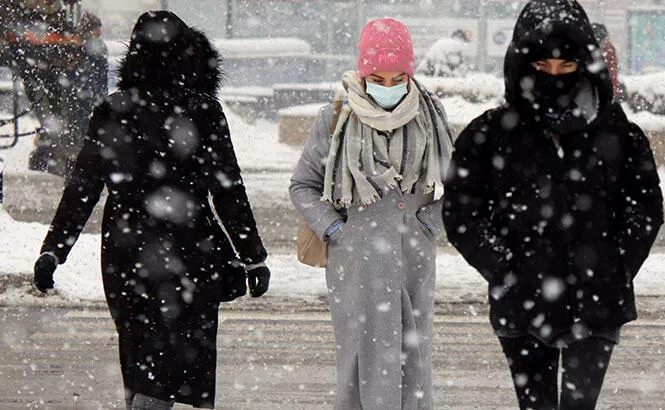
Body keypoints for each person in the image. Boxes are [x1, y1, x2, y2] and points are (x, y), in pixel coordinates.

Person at [32, 11, 271, 410]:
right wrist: (252, 258)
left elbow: (82, 190)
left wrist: (54, 250)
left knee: (143, 365)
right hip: (193, 252)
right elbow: (228, 190)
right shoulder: (202, 111)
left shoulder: (114, 110)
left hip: (127, 254)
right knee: (179, 364)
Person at [442, 0, 664, 409]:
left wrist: (616, 265)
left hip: (597, 302)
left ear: (587, 64)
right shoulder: (489, 134)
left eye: (567, 67)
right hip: (521, 304)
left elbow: (645, 208)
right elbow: (461, 211)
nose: (555, 77)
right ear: (522, 64)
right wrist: (504, 268)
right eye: (543, 67)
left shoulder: (620, 135)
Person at [290, 17, 455, 409]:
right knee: (359, 360)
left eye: (397, 77)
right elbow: (303, 186)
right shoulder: (335, 118)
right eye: (376, 80)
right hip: (355, 260)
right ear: (363, 75)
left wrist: (427, 224)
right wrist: (335, 229)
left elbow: (466, 190)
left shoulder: (430, 116)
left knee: (413, 359)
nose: (387, 87)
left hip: (413, 257)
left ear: (409, 74)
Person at [592, 23, 625, 101]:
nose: (606, 41)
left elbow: (612, 72)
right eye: (604, 38)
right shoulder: (606, 50)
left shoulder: (608, 50)